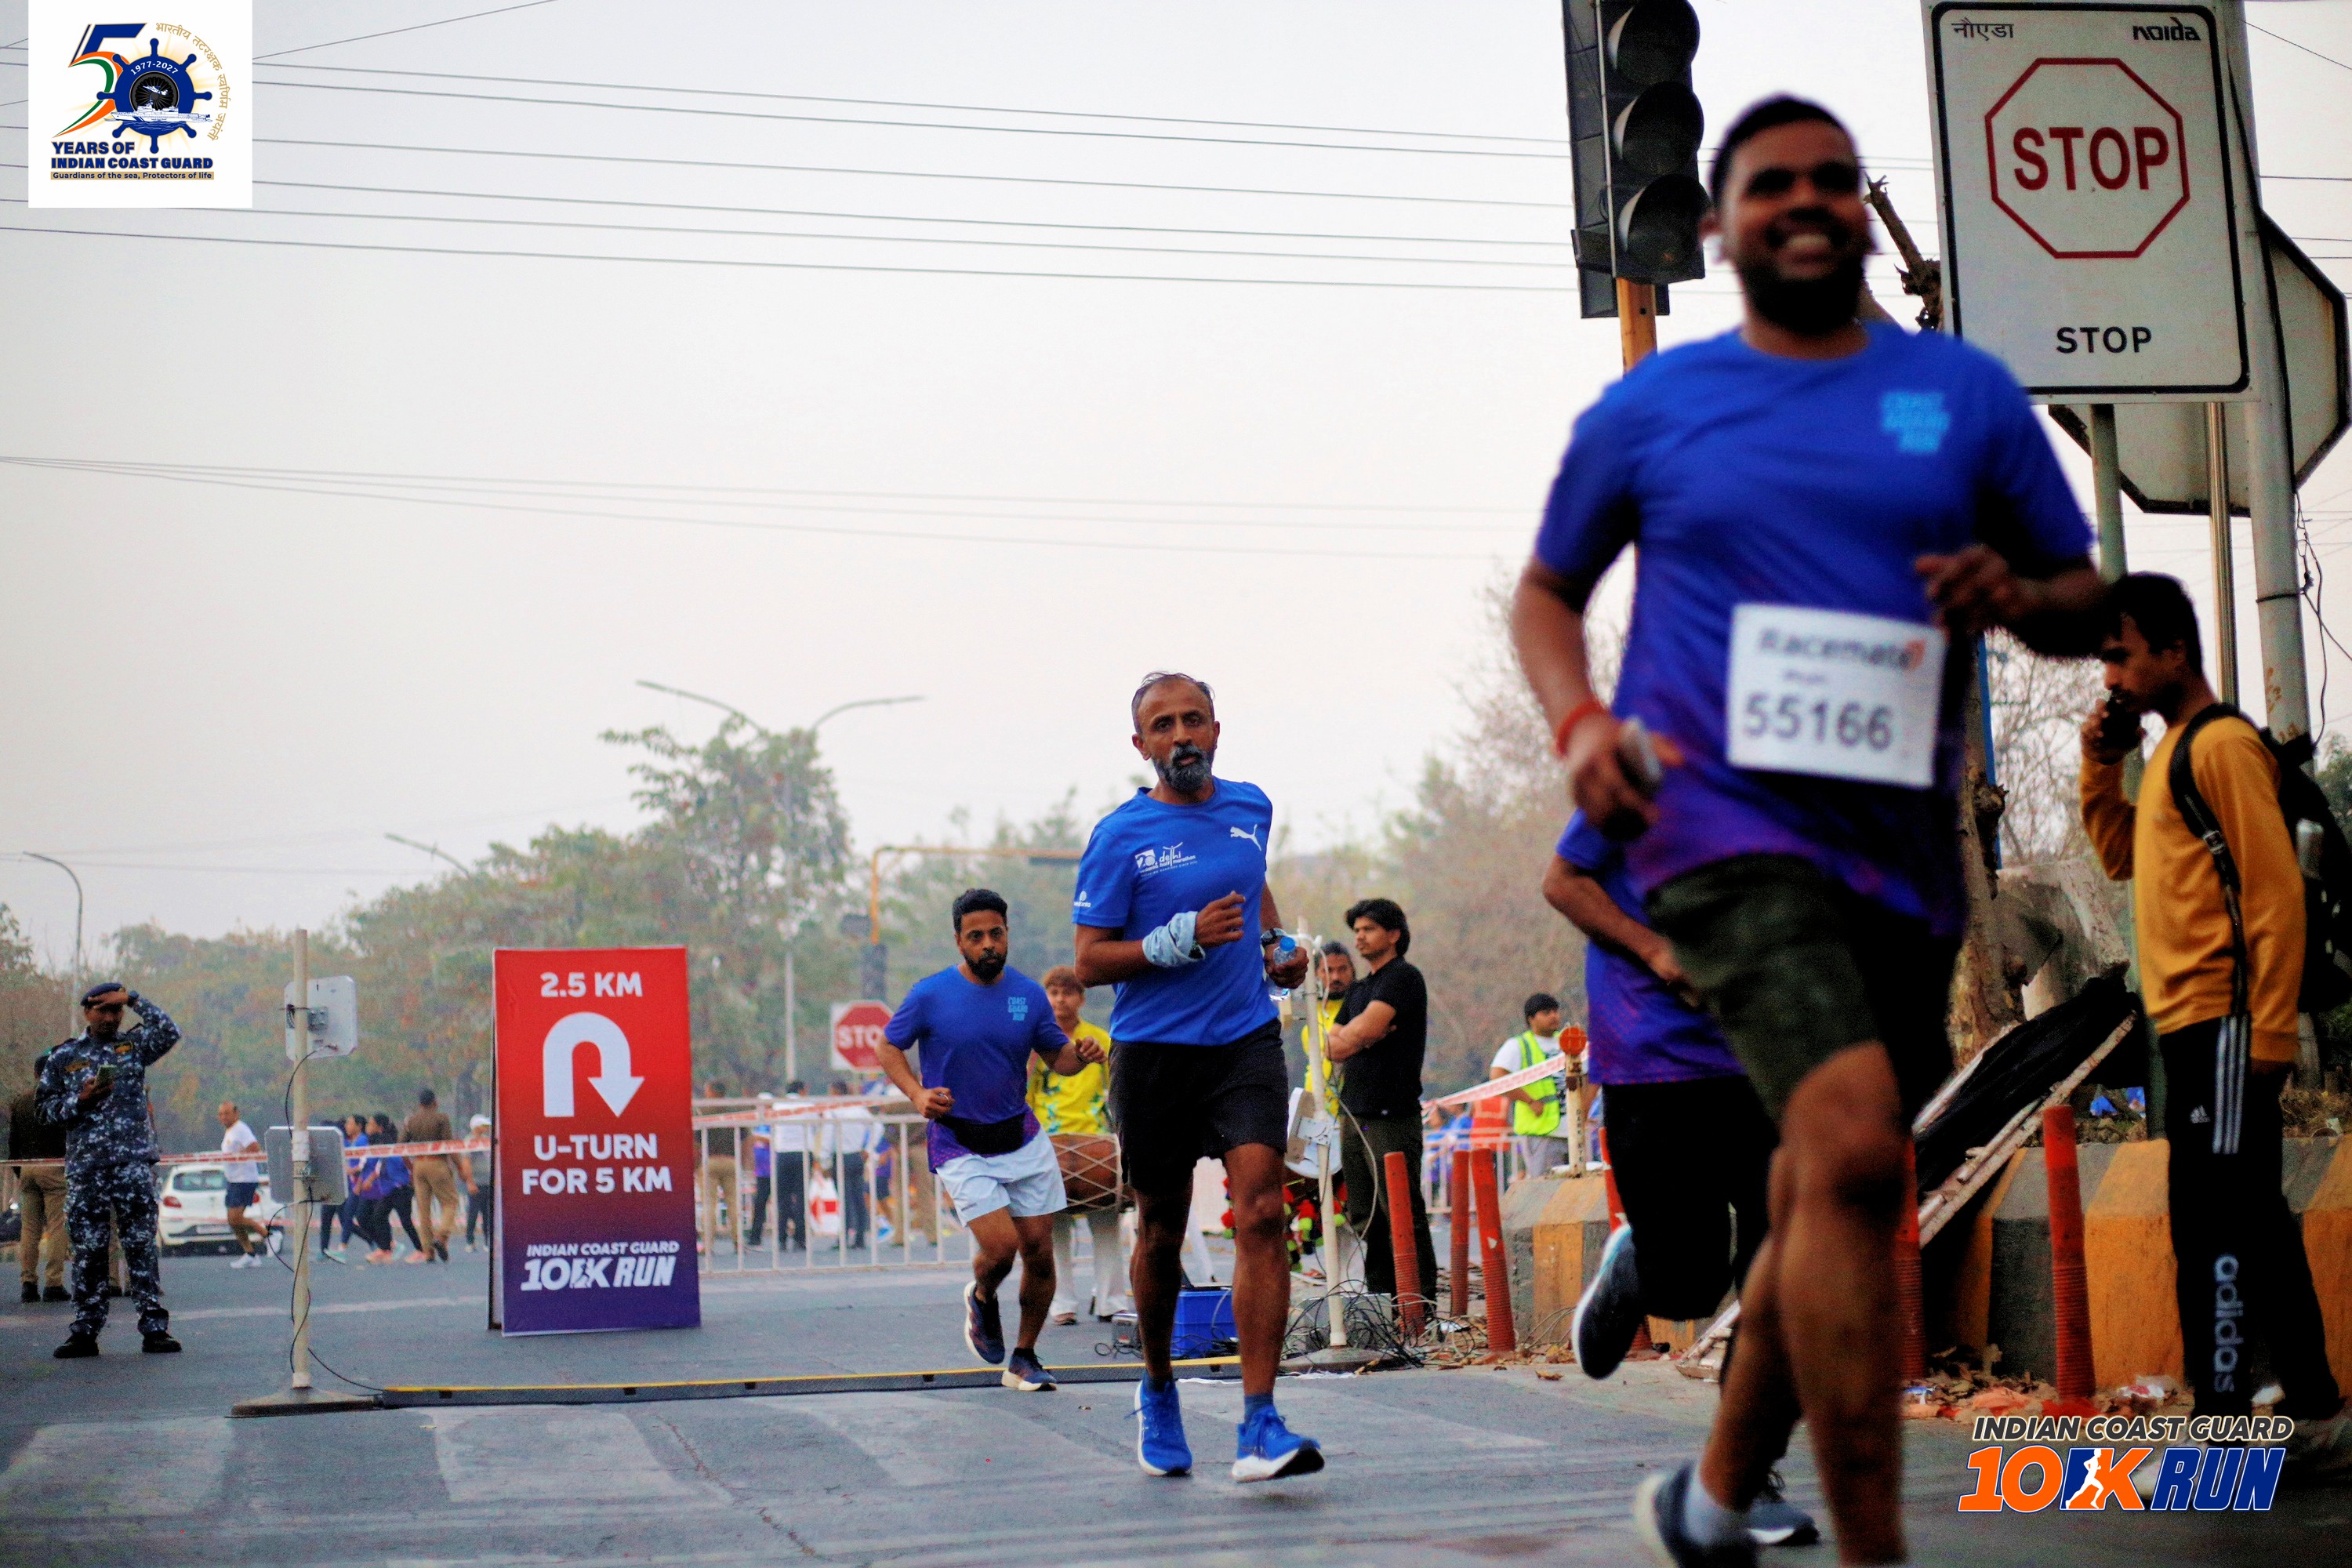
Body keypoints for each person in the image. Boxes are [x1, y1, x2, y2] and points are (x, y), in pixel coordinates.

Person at [1509, 97, 2103, 1566]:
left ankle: (1714, 1494)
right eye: (1773, 182)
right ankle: (1872, 1548)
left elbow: (2080, 595)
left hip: (1897, 855)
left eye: (1836, 178)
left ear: (1860, 212)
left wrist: (2016, 598)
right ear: (1720, 228)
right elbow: (1547, 595)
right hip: (1718, 833)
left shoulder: (1957, 395)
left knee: (1834, 1180)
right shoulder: (1660, 406)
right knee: (1846, 1148)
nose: (1809, 200)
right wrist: (1579, 725)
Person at [2081, 574, 2346, 1460]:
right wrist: (2098, 761)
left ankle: (2225, 1425)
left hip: (2229, 1025)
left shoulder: (2224, 746)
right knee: (2245, 1218)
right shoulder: (2170, 755)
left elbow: (2274, 897)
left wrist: (2269, 1032)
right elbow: (2119, 854)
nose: (2111, 676)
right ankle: (2313, 1409)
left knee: (2214, 1228)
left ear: (2173, 651)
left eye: (2120, 655)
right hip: (2195, 1029)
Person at [1544, 811, 1818, 1549]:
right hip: (1654, 1058)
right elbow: (1563, 881)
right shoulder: (1653, 765)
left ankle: (1744, 1478)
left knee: (1780, 1273)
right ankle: (1640, 1268)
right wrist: (1656, 950)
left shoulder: (1797, 782)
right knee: (1688, 1286)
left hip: (1765, 1055)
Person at [1073, 672, 1322, 1483]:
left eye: (1193, 720)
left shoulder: (1251, 807)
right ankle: (1157, 1386)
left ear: (1216, 729)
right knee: (1161, 1229)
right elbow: (1089, 960)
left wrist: (1276, 947)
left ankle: (1260, 1421)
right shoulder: (1121, 835)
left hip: (1243, 1043)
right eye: (1163, 725)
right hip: (1153, 1054)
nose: (1180, 735)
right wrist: (1176, 937)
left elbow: (1252, 886)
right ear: (1141, 743)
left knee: (1262, 1210)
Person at [877, 887, 1105, 1394]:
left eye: (995, 934)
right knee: (1002, 1248)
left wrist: (1082, 1055)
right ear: (959, 941)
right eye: (976, 936)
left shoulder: (1028, 995)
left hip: (1021, 1139)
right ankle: (982, 1295)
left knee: (1039, 1253)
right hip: (959, 1141)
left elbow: (1059, 1058)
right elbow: (888, 1045)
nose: (987, 945)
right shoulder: (930, 994)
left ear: (1007, 934)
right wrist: (916, 1094)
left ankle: (1024, 1356)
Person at [35, 982, 181, 1356]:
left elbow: (169, 1032)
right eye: (103, 1010)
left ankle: (154, 1327)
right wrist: (79, 1100)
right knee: (89, 1251)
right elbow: (44, 1111)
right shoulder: (64, 1057)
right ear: (87, 1012)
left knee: (141, 1247)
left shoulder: (133, 1047)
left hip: (132, 1165)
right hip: (88, 1168)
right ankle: (85, 1329)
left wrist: (135, 1000)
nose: (111, 1017)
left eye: (116, 1011)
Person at [1325, 898, 1440, 1311]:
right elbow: (1333, 1046)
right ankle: (1381, 1305)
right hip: (1355, 1113)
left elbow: (1360, 1032)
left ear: (1393, 934)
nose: (1359, 937)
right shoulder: (1360, 989)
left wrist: (1360, 1034)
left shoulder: (1403, 978)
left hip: (1393, 1113)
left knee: (1401, 1212)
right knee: (1366, 1215)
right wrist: (1360, 1035)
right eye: (1356, 930)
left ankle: (1418, 1306)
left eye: (1368, 929)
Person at [1029, 964, 1128, 1324]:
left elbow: (1117, 1090)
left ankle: (1111, 1300)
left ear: (1081, 999)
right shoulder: (1036, 1042)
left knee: (1106, 1223)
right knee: (1055, 1229)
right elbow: (1026, 1096)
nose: (1060, 1000)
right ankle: (1062, 1303)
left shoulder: (1100, 1038)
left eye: (1067, 993)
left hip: (1096, 1138)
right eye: (1053, 993)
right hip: (1048, 1141)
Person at [1490, 994, 1571, 1182]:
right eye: (1546, 1013)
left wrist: (1584, 1107)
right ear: (1531, 1019)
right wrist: (1529, 1101)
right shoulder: (1518, 1045)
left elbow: (1591, 1073)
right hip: (1541, 1132)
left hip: (1573, 1131)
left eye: (1556, 1011)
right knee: (1546, 1186)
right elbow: (1497, 1077)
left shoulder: (1569, 1040)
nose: (1554, 1016)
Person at [9, 1051, 71, 1303]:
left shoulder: (21, 1102)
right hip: (54, 1168)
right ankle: (54, 1283)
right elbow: (67, 1139)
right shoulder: (60, 1102)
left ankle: (28, 1283)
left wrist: (20, 1172)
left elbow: (13, 1143)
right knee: (57, 1226)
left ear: (35, 1073)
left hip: (27, 1169)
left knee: (29, 1228)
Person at [401, 1087, 460, 1263]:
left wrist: (411, 1167)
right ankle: (441, 1237)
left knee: (424, 1210)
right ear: (435, 1102)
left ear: (420, 1104)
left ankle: (428, 1251)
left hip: (419, 1165)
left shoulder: (411, 1121)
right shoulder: (442, 1118)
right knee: (450, 1202)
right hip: (437, 1163)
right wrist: (460, 1167)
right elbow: (448, 1144)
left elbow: (401, 1146)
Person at [217, 1101, 268, 1269]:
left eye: (227, 1113)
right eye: (221, 1114)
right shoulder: (230, 1131)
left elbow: (255, 1148)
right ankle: (250, 1254)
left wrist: (239, 1157)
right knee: (233, 1221)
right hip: (233, 1180)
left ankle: (268, 1235)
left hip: (244, 1179)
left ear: (236, 1113)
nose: (224, 1117)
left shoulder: (241, 1128)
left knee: (236, 1218)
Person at [826, 1079, 875, 1251]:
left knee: (844, 1200)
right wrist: (868, 1148)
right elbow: (878, 1126)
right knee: (859, 1198)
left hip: (840, 1157)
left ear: (835, 1092)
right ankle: (860, 1238)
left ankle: (844, 1237)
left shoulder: (834, 1111)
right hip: (857, 1157)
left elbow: (828, 1137)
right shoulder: (859, 1110)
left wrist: (824, 1160)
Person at [371, 1113, 426, 1258]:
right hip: (390, 1189)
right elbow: (380, 1164)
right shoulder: (383, 1143)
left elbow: (406, 1163)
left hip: (401, 1188)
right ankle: (386, 1249)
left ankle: (421, 1250)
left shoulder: (394, 1143)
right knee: (379, 1215)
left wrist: (412, 1178)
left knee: (405, 1221)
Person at [768, 1080, 811, 1251]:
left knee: (783, 1199)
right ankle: (800, 1238)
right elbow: (816, 1125)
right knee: (801, 1198)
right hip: (803, 1153)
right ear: (801, 1090)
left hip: (783, 1154)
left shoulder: (778, 1106)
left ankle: (781, 1238)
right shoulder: (808, 1106)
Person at [697, 1079, 738, 1256]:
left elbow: (695, 1140)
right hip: (731, 1160)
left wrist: (695, 1163)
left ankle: (708, 1245)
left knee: (709, 1205)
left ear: (711, 1092)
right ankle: (738, 1243)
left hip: (709, 1161)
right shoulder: (734, 1111)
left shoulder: (701, 1111)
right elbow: (745, 1138)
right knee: (734, 1204)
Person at [463, 1114, 493, 1252]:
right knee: (473, 1214)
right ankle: (470, 1241)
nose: (487, 1128)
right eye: (484, 1125)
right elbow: (466, 1162)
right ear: (476, 1127)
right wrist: (470, 1182)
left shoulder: (487, 1140)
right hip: (476, 1183)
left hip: (488, 1182)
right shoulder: (469, 1141)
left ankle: (488, 1242)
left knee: (488, 1214)